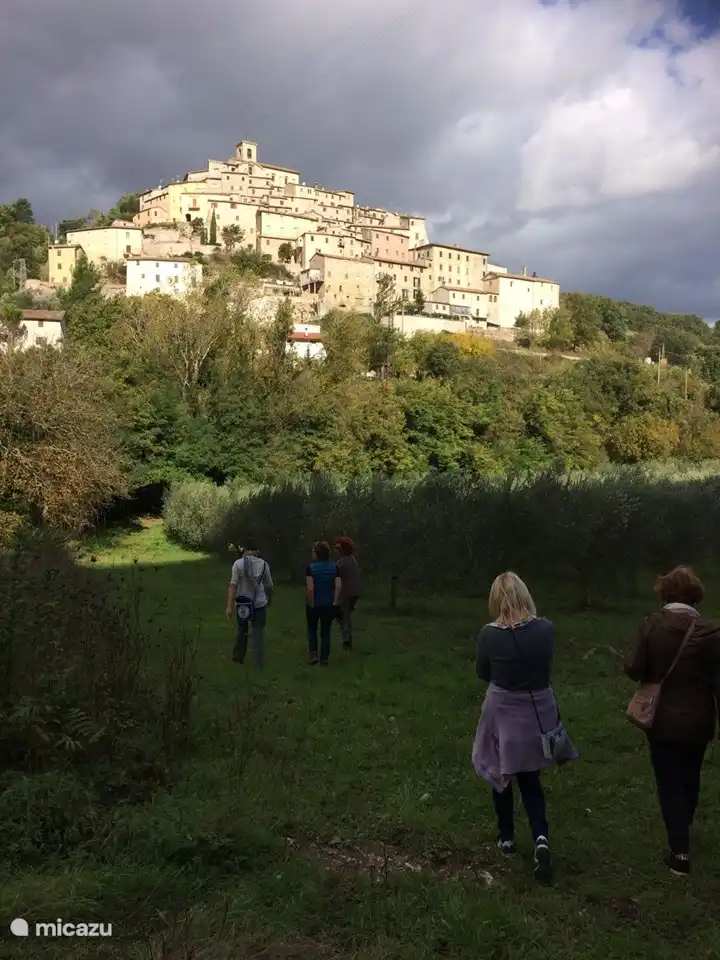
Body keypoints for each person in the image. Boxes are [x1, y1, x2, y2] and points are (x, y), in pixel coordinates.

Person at [472, 572, 577, 884]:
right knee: (531, 779)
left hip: (503, 711)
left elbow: (483, 672)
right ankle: (541, 838)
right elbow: (546, 668)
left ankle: (506, 838)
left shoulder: (489, 635)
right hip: (536, 711)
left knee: (500, 774)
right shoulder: (546, 629)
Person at [624, 565, 720, 876]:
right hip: (700, 719)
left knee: (669, 782)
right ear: (695, 595)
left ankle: (679, 852)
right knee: (690, 776)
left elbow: (633, 668)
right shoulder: (712, 633)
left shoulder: (652, 625)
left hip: (662, 720)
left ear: (665, 593)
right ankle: (683, 825)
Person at [226, 540, 274, 669]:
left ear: (245, 550)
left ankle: (238, 658)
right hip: (260, 604)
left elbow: (233, 586)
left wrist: (229, 606)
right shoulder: (264, 564)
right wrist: (269, 599)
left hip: (243, 604)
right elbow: (269, 586)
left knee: (241, 630)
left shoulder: (238, 564)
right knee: (258, 633)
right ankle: (258, 663)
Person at [306, 541, 341, 665]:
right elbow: (338, 586)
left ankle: (313, 654)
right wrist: (335, 602)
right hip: (328, 603)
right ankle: (324, 657)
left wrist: (311, 603)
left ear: (316, 553)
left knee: (312, 629)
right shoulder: (335, 568)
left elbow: (310, 588)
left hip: (314, 603)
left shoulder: (311, 568)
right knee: (326, 631)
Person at [334, 537, 361, 650]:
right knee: (345, 617)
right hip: (354, 593)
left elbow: (334, 575)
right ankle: (347, 639)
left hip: (345, 593)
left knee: (342, 617)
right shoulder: (352, 560)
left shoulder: (342, 562)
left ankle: (346, 641)